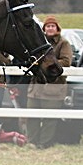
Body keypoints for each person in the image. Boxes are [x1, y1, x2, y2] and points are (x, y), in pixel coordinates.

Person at [26, 16, 73, 148]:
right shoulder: (38, 42)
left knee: (49, 118)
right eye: (48, 26)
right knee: (31, 115)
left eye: (53, 26)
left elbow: (66, 61)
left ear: (57, 28)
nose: (50, 28)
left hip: (54, 87)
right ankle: (32, 141)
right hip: (36, 86)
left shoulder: (63, 43)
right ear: (44, 29)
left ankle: (44, 143)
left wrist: (47, 64)